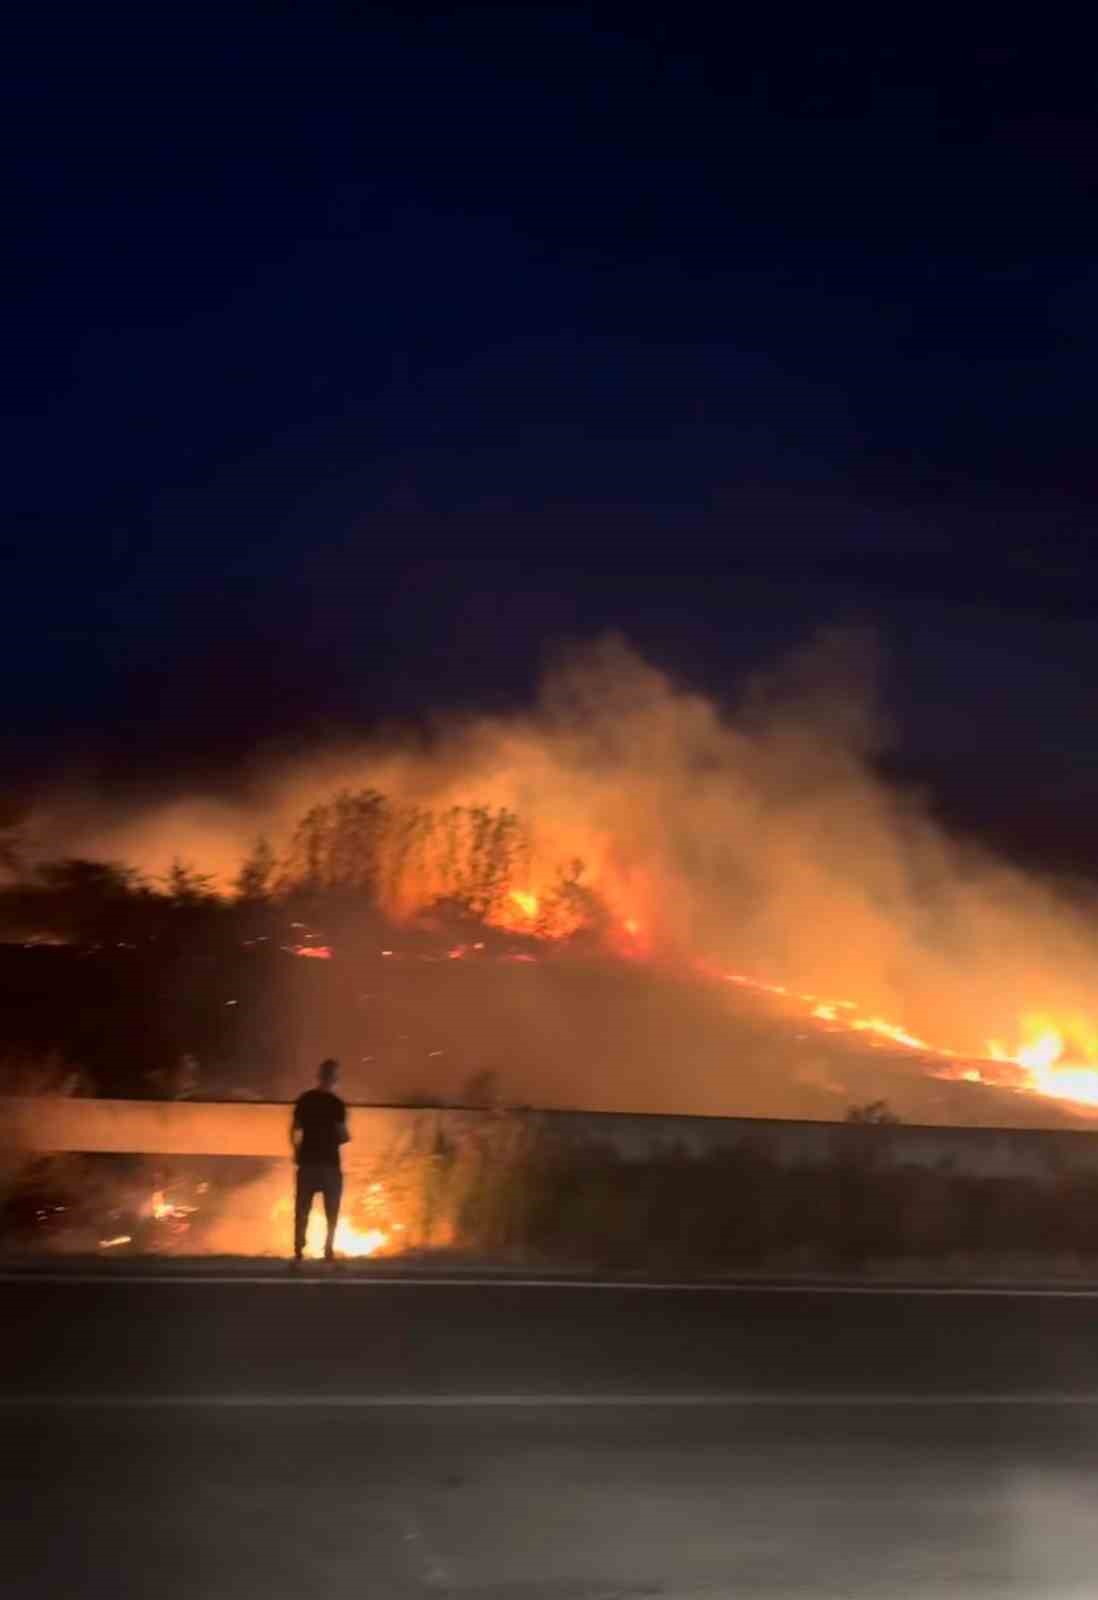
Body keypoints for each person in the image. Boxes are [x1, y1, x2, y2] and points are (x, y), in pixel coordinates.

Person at [290, 1058, 349, 1262]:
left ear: (319, 1076)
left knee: (302, 1209)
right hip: (330, 1165)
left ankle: (298, 1249)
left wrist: (296, 1151)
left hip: (307, 1163)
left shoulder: (305, 1099)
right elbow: (343, 1135)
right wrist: (344, 1137)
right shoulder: (337, 1104)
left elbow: (294, 1129)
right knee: (331, 1212)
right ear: (335, 1078)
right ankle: (328, 1250)